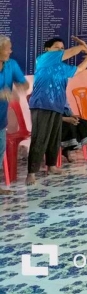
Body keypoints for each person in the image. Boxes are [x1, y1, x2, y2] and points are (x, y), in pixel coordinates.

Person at [26, 37, 87, 185]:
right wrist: (83, 46)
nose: (60, 50)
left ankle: (51, 166)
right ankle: (31, 173)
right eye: (57, 47)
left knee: (54, 138)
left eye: (62, 48)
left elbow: (79, 70)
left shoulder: (62, 67)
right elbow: (70, 52)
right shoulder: (43, 59)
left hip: (57, 106)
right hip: (42, 105)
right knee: (40, 138)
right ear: (48, 49)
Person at [0, 36, 29, 195]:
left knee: (0, 151)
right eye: (7, 48)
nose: (10, 51)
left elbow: (23, 83)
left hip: (1, 118)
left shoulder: (11, 64)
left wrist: (22, 86)